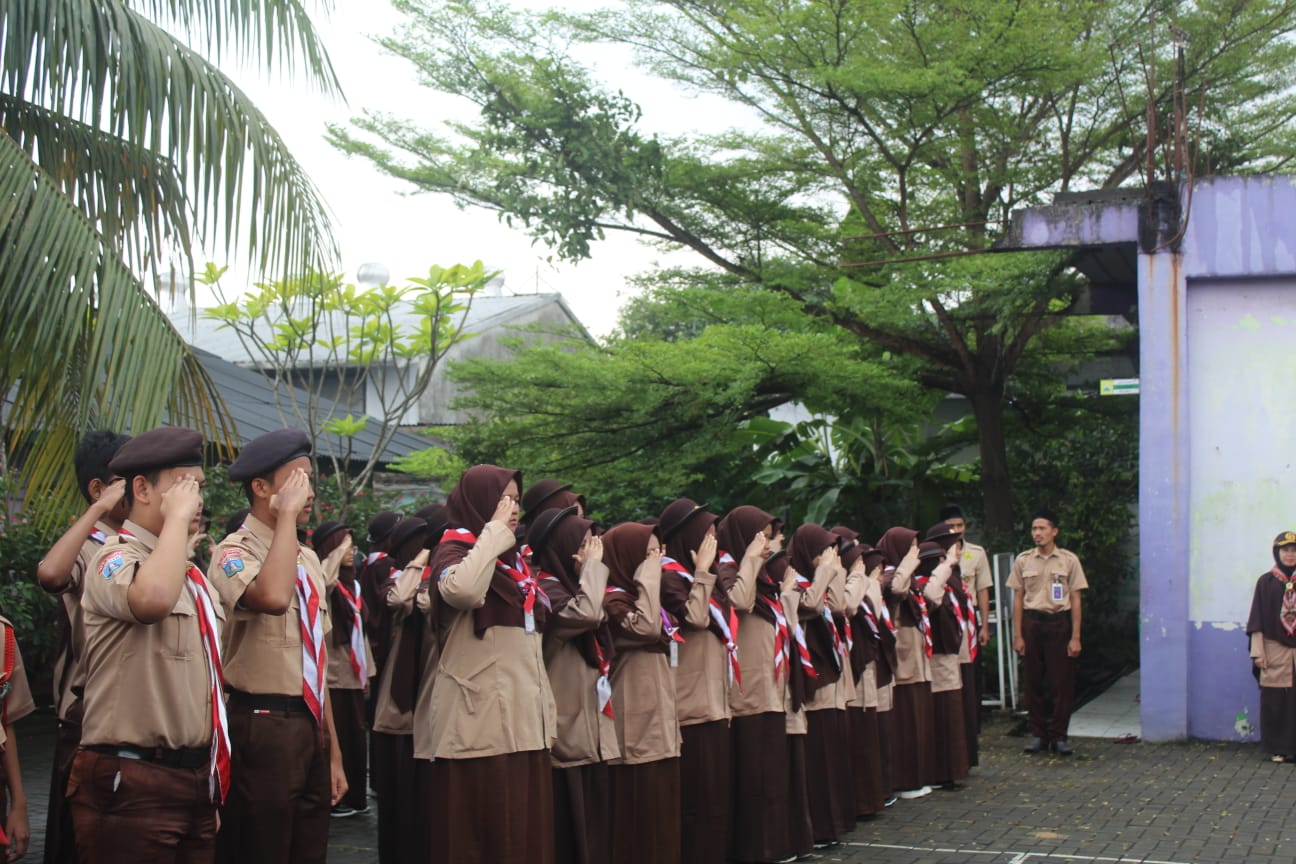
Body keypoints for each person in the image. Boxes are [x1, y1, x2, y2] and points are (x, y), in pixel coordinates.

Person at [71, 427, 227, 862]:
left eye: (198, 487)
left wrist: (207, 784)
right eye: (183, 486)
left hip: (193, 777)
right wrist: (176, 519)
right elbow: (153, 600)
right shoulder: (114, 558)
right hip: (132, 778)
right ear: (141, 489)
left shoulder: (193, 580)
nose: (195, 499)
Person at [211, 429, 346, 864]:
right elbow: (271, 597)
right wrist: (286, 517)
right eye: (297, 481)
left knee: (309, 848)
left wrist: (333, 751)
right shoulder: (233, 552)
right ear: (261, 487)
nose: (309, 493)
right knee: (261, 846)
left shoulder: (307, 558)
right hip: (261, 721)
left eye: (310, 480)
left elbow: (315, 660)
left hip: (309, 723)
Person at [424, 465, 557, 864]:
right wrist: (494, 532)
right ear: (478, 502)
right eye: (502, 499)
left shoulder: (513, 565)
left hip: (524, 723)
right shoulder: (454, 550)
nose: (512, 508)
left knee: (524, 837)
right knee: (484, 838)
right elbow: (463, 591)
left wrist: (547, 712)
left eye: (516, 500)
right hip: (479, 724)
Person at [35, 430, 130, 864]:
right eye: (129, 479)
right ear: (99, 488)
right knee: (76, 840)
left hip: (131, 718)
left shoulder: (141, 546)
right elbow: (51, 575)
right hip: (87, 716)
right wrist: (97, 511)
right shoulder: (89, 545)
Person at [528, 506, 617, 864]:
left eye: (593, 545)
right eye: (582, 545)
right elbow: (588, 613)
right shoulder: (548, 591)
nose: (590, 553)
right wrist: (593, 570)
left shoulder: (575, 587)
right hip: (565, 729)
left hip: (588, 726)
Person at [656, 498, 742, 864]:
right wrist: (704, 572)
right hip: (690, 705)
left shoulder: (702, 578)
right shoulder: (670, 577)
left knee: (716, 798)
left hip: (714, 700)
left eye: (714, 536)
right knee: (697, 799)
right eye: (705, 535)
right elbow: (696, 618)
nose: (712, 543)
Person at [601, 521, 680, 864]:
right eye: (647, 554)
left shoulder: (646, 598)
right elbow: (647, 628)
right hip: (633, 726)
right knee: (637, 819)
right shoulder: (614, 602)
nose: (655, 562)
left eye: (658, 553)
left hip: (660, 721)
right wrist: (648, 577)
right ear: (627, 556)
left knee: (662, 819)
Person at [374, 517, 434, 863]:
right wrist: (420, 560)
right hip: (400, 711)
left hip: (430, 704)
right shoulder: (395, 578)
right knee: (400, 801)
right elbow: (400, 599)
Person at [1009, 509, 1087, 756]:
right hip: (1032, 622)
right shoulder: (1024, 560)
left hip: (1058, 623)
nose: (1037, 533)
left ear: (1054, 532)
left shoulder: (1068, 560)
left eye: (1042, 528)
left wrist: (1075, 636)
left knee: (1060, 682)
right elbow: (1018, 598)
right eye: (1034, 529)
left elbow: (1076, 598)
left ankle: (1059, 736)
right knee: (1032, 680)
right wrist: (1018, 635)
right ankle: (1038, 734)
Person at [312, 521, 371, 818]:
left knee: (356, 739)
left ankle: (356, 797)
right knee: (339, 739)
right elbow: (323, 582)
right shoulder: (327, 579)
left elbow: (360, 630)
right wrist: (336, 553)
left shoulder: (353, 584)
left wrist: (367, 671)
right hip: (333, 675)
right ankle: (337, 797)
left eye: (353, 546)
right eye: (345, 545)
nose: (351, 551)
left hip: (353, 674)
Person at [940, 503, 991, 766]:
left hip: (969, 619)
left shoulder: (976, 553)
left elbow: (982, 589)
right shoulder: (935, 552)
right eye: (951, 527)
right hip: (946, 618)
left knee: (971, 673)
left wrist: (985, 626)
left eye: (959, 526)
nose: (956, 531)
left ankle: (973, 722)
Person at [1247, 531, 1296, 762]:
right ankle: (1278, 749)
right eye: (1285, 550)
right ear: (1277, 553)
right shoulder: (1266, 582)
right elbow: (1257, 619)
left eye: (1294, 550)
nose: (1290, 554)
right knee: (1275, 702)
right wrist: (1258, 653)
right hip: (1274, 650)